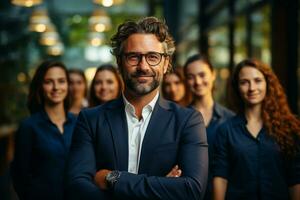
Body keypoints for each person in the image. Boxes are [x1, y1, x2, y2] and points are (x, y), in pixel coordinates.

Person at [66, 16, 208, 200]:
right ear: (119, 63)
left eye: (153, 57)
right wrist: (162, 187)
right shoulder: (90, 119)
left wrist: (114, 178)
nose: (143, 66)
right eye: (133, 57)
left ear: (166, 64)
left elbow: (192, 189)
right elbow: (76, 187)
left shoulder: (188, 121)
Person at [212, 58, 300, 200]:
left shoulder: (288, 128)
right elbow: (221, 177)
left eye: (258, 80)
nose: (252, 88)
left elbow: (295, 178)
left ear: (268, 84)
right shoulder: (226, 130)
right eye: (244, 82)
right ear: (237, 87)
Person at [10, 60, 77, 200]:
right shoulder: (28, 126)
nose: (56, 87)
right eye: (48, 82)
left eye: (61, 81)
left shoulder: (79, 123)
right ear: (40, 86)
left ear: (68, 85)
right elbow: (20, 177)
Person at [183, 54, 234, 200]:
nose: (197, 81)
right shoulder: (180, 119)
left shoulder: (230, 119)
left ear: (213, 75)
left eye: (202, 74)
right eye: (191, 77)